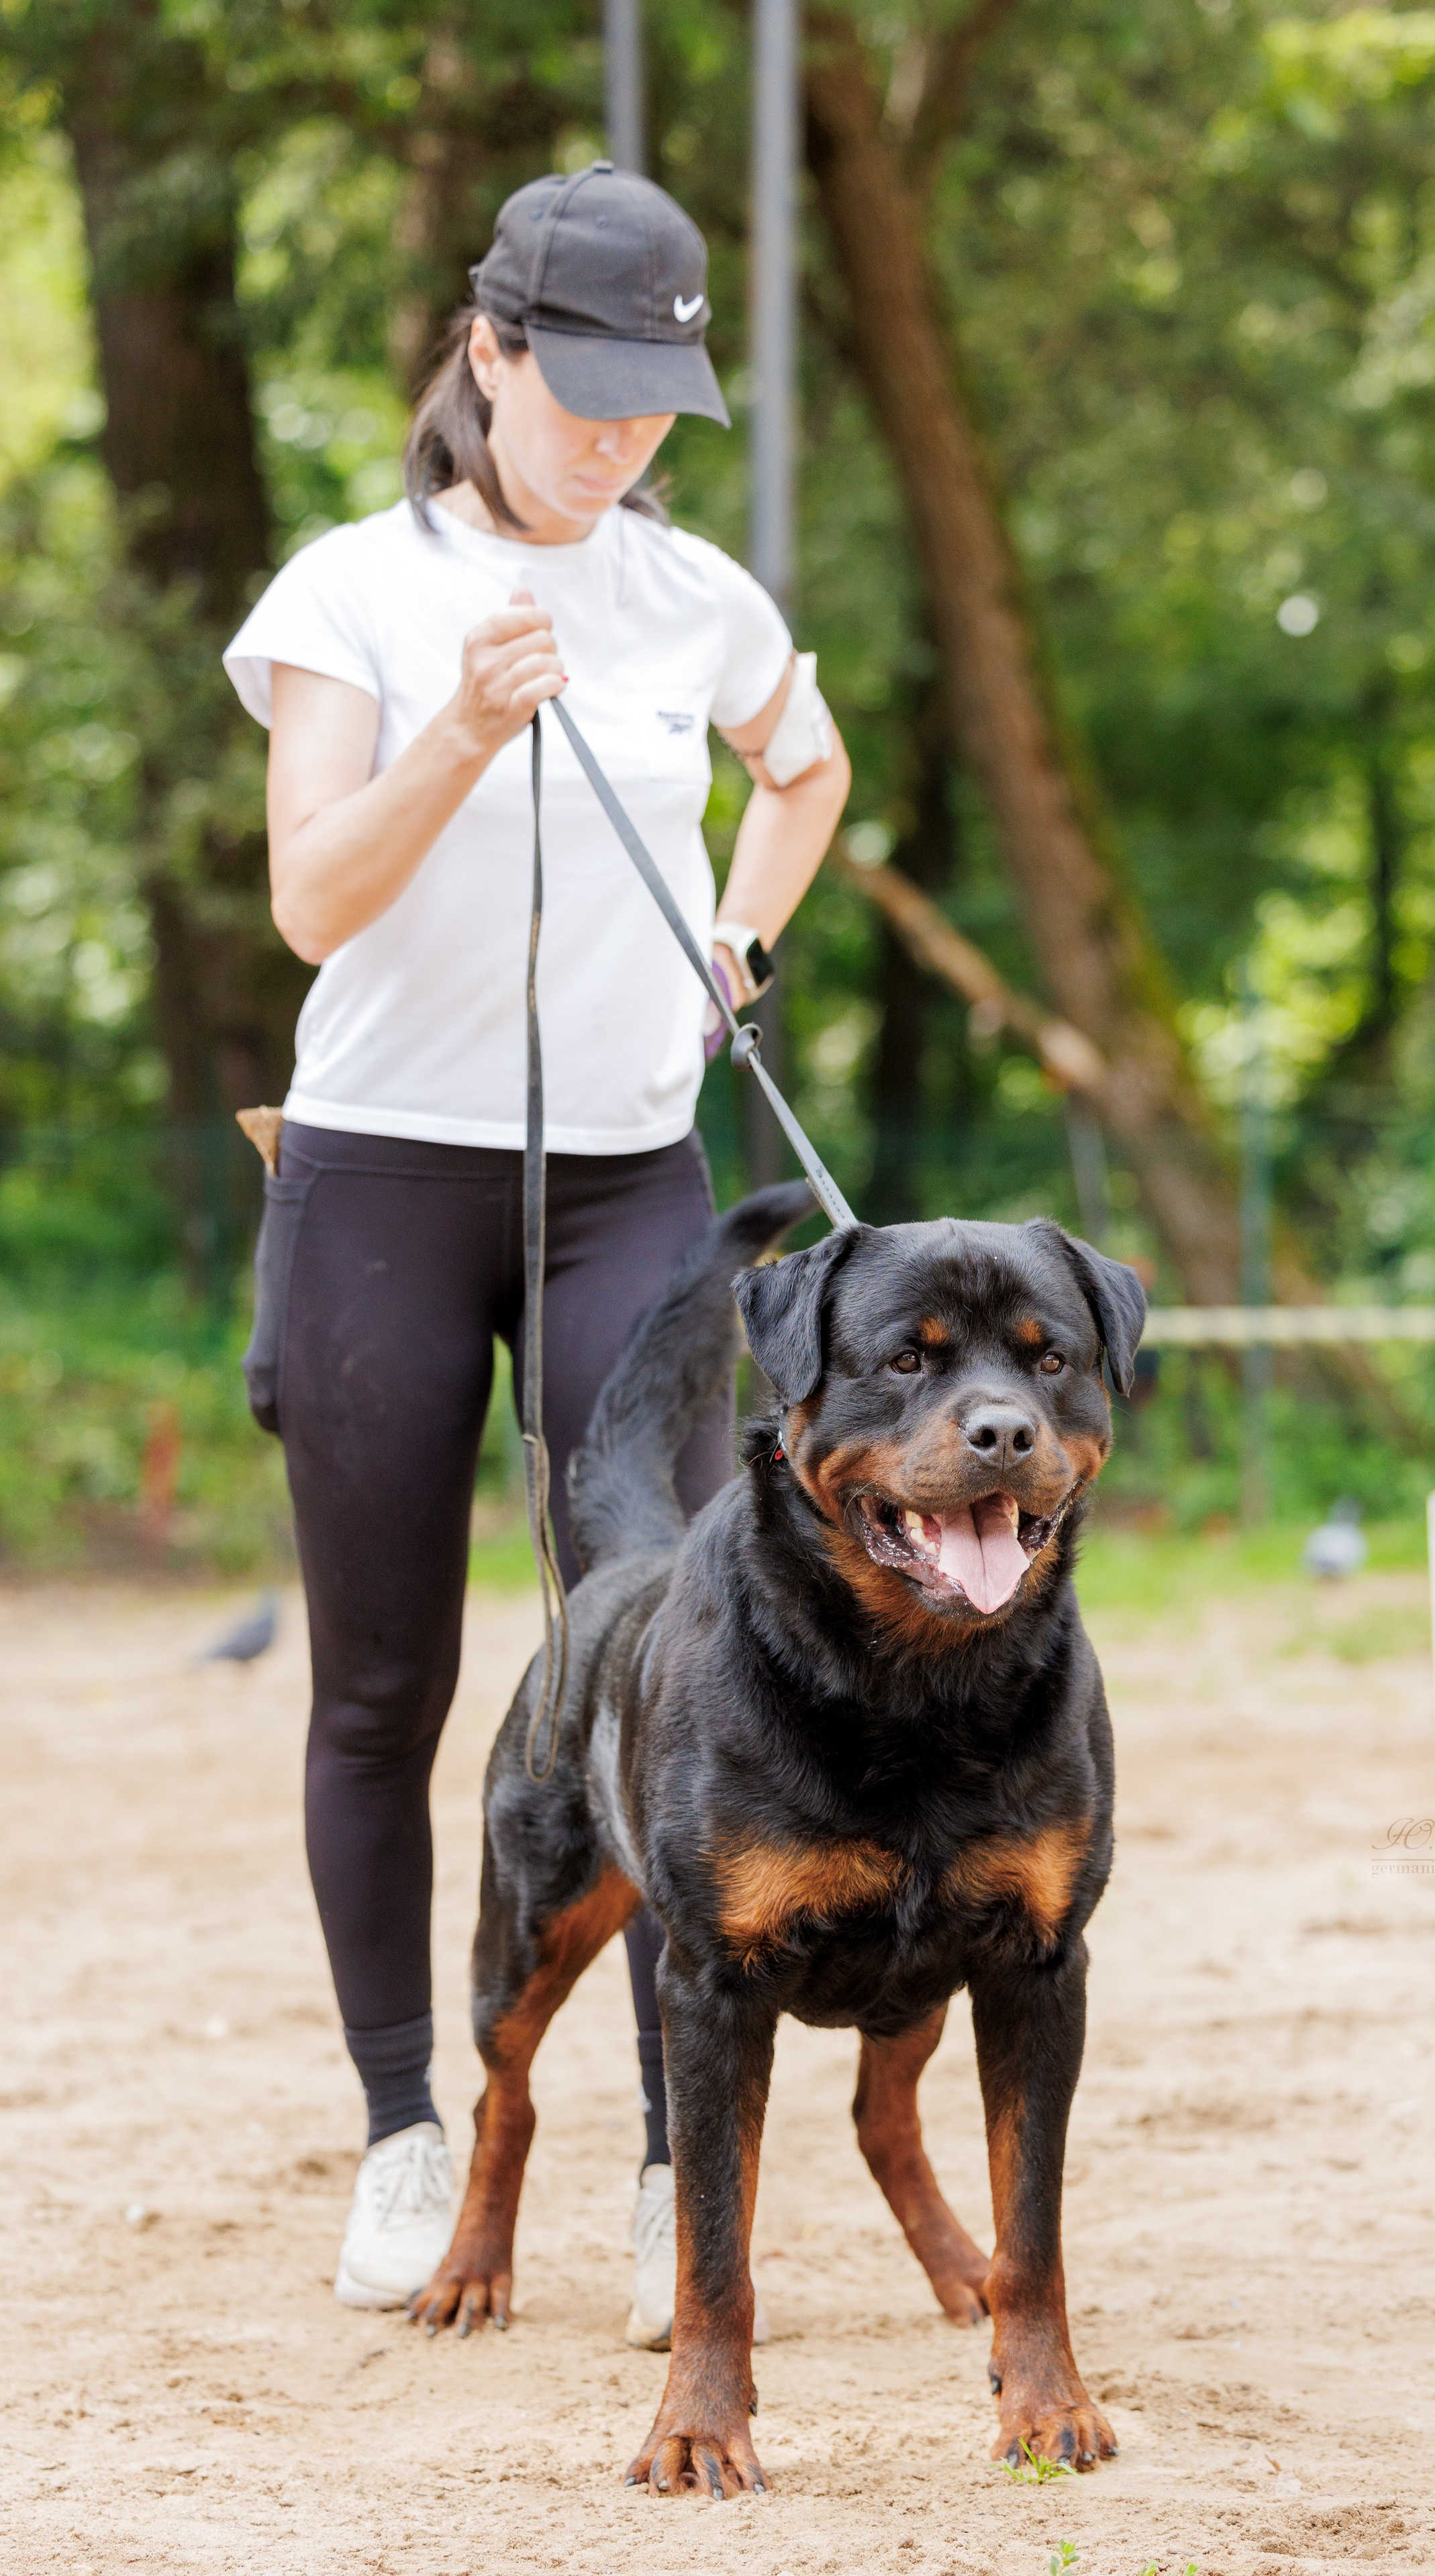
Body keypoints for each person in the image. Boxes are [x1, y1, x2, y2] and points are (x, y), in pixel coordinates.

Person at [222, 164, 850, 2340]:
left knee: (679, 1663)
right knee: (386, 1681)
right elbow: (312, 900)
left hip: (630, 1186)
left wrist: (741, 937)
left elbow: (809, 761)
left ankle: (677, 2129)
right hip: (385, 1179)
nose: (616, 441)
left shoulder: (690, 596)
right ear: (487, 354)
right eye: (579, 395)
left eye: (652, 404)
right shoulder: (353, 596)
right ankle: (409, 2128)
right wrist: (468, 732)